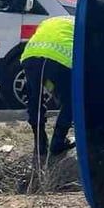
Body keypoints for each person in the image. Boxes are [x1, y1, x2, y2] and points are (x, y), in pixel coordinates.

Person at [21, 15, 75, 157]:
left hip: (30, 57)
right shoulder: (82, 24)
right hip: (60, 60)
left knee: (35, 99)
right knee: (70, 100)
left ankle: (40, 143)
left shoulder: (50, 21)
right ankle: (58, 142)